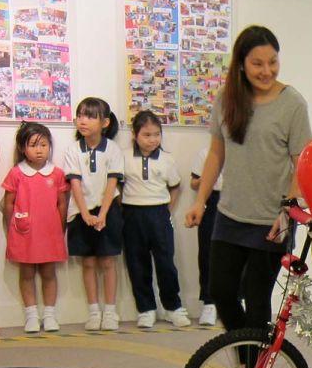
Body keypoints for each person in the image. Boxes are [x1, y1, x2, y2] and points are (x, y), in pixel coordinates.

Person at [184, 25, 311, 332]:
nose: (266, 71)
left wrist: (286, 213)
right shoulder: (227, 100)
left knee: (256, 300)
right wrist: (200, 201)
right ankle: (249, 363)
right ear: (241, 63)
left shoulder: (292, 103)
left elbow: (302, 165)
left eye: (273, 62)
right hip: (229, 215)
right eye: (258, 63)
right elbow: (217, 154)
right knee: (221, 291)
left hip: (271, 221)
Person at [122, 110, 189, 328]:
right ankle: (146, 309)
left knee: (165, 263)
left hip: (159, 214)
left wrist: (167, 211)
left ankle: (173, 308)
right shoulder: (123, 157)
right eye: (147, 135)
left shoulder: (167, 159)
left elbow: (176, 186)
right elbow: (117, 186)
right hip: (132, 214)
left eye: (156, 134)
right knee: (137, 263)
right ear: (135, 135)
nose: (152, 139)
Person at [0, 121, 68, 333]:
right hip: (24, 233)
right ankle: (31, 315)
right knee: (26, 274)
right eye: (33, 145)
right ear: (23, 148)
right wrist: (12, 227)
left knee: (49, 273)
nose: (39, 150)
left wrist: (61, 227)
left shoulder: (56, 174)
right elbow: (8, 203)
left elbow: (62, 203)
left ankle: (49, 315)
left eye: (44, 145)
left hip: (49, 233)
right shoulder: (16, 173)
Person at [63, 97, 124, 331]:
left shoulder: (113, 149)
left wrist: (103, 214)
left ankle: (110, 311)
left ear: (105, 122)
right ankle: (93, 311)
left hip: (107, 211)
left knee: (108, 262)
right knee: (88, 263)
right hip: (81, 212)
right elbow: (75, 184)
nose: (83, 121)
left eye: (89, 116)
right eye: (80, 115)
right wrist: (86, 214)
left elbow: (112, 183)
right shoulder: (72, 150)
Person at [189, 144, 222, 326]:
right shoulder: (206, 152)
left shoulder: (246, 148)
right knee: (208, 253)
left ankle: (238, 298)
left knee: (240, 254)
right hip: (212, 199)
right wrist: (209, 178)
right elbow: (193, 182)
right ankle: (209, 303)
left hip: (238, 199)